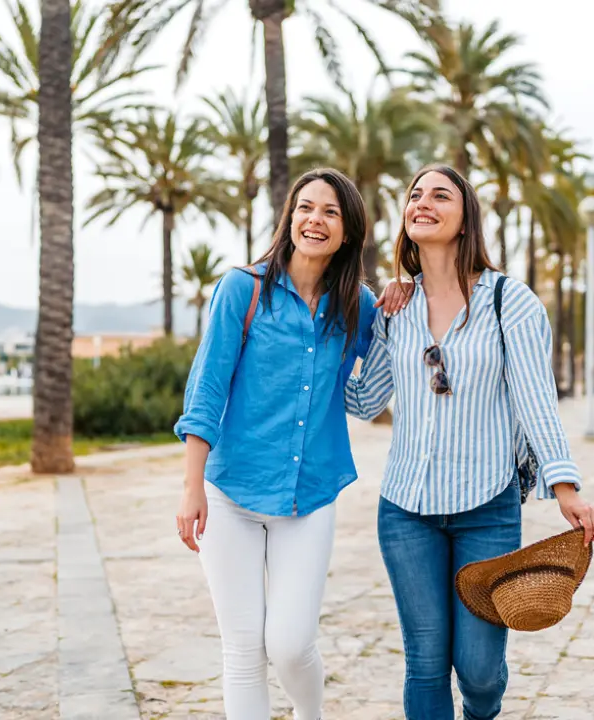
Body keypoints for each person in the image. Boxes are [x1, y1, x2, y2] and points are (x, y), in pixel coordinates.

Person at [345, 165, 594, 720]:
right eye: (415, 195)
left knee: (480, 670)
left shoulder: (509, 301)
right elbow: (366, 401)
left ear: (466, 219)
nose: (423, 202)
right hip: (406, 510)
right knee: (424, 662)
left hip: (486, 506)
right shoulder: (396, 309)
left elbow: (537, 400)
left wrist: (565, 488)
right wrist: (331, 333)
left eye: (440, 195)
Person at [173, 168, 407, 720]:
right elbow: (207, 389)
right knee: (242, 649)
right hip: (230, 494)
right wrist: (191, 487)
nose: (314, 220)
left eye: (330, 212)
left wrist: (399, 305)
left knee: (290, 644)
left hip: (310, 497)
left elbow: (374, 386)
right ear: (289, 217)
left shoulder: (357, 306)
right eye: (305, 207)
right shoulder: (242, 289)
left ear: (347, 232)